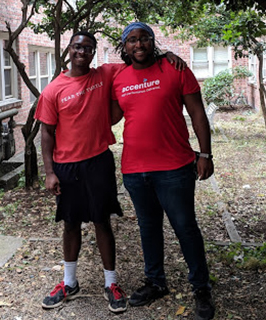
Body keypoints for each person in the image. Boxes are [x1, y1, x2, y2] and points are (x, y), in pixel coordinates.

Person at [34, 30, 185, 314]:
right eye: (78, 46)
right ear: (69, 50)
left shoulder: (104, 74)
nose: (82, 52)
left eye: (88, 48)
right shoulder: (53, 89)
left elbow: (138, 58)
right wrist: (49, 172)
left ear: (93, 53)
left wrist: (166, 56)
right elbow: (46, 133)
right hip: (67, 166)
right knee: (70, 223)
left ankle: (111, 283)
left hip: (98, 161)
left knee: (102, 221)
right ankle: (69, 282)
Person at [111, 22, 216, 320]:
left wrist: (205, 154)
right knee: (148, 228)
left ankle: (201, 288)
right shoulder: (119, 77)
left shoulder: (175, 69)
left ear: (153, 41)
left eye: (144, 38)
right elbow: (111, 116)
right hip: (134, 170)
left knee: (185, 227)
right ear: (125, 46)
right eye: (131, 40)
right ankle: (155, 282)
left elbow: (197, 113)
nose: (138, 44)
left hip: (174, 167)